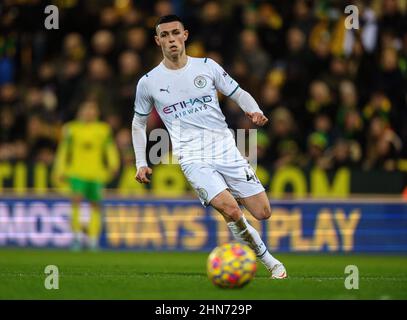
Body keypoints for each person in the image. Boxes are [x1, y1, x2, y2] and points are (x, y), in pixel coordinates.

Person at [132, 15, 287, 279]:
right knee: (231, 209)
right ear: (157, 40)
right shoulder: (148, 82)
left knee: (263, 212)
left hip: (226, 147)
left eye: (175, 33)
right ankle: (271, 262)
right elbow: (138, 123)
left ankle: (233, 207)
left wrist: (254, 110)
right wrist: (140, 162)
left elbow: (237, 92)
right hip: (192, 156)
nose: (171, 39)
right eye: (165, 35)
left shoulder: (206, 66)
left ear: (185, 35)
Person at [54, 100, 120, 251]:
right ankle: (76, 237)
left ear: (97, 113)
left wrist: (113, 164)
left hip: (96, 173)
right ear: (80, 111)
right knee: (76, 201)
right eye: (86, 109)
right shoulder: (71, 129)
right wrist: (60, 169)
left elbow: (109, 148)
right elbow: (64, 150)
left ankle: (92, 239)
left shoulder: (103, 129)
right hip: (76, 172)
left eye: (92, 110)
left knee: (95, 204)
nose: (89, 113)